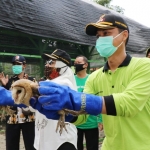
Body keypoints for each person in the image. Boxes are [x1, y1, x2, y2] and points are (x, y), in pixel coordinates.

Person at [29, 14, 150, 150]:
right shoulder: (95, 77)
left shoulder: (144, 66)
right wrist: (65, 113)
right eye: (98, 36)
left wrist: (81, 100)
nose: (101, 39)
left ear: (124, 35)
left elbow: (129, 104)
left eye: (106, 33)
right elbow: (83, 116)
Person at [34, 49, 77, 150]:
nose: (47, 65)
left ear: (62, 66)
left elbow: (46, 91)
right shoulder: (48, 82)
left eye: (51, 62)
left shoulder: (65, 84)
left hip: (61, 141)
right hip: (45, 138)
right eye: (47, 62)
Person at [0, 55, 36, 150]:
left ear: (24, 65)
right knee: (11, 146)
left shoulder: (31, 80)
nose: (15, 66)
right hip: (13, 118)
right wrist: (5, 85)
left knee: (31, 145)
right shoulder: (10, 81)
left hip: (28, 118)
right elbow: (7, 97)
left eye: (18, 64)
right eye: (14, 64)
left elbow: (34, 97)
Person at [74, 55, 102, 150]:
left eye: (78, 63)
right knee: (77, 147)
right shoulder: (71, 80)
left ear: (85, 65)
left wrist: (100, 119)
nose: (76, 65)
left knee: (92, 147)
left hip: (91, 122)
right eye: (75, 63)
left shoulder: (92, 79)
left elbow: (99, 98)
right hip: (75, 122)